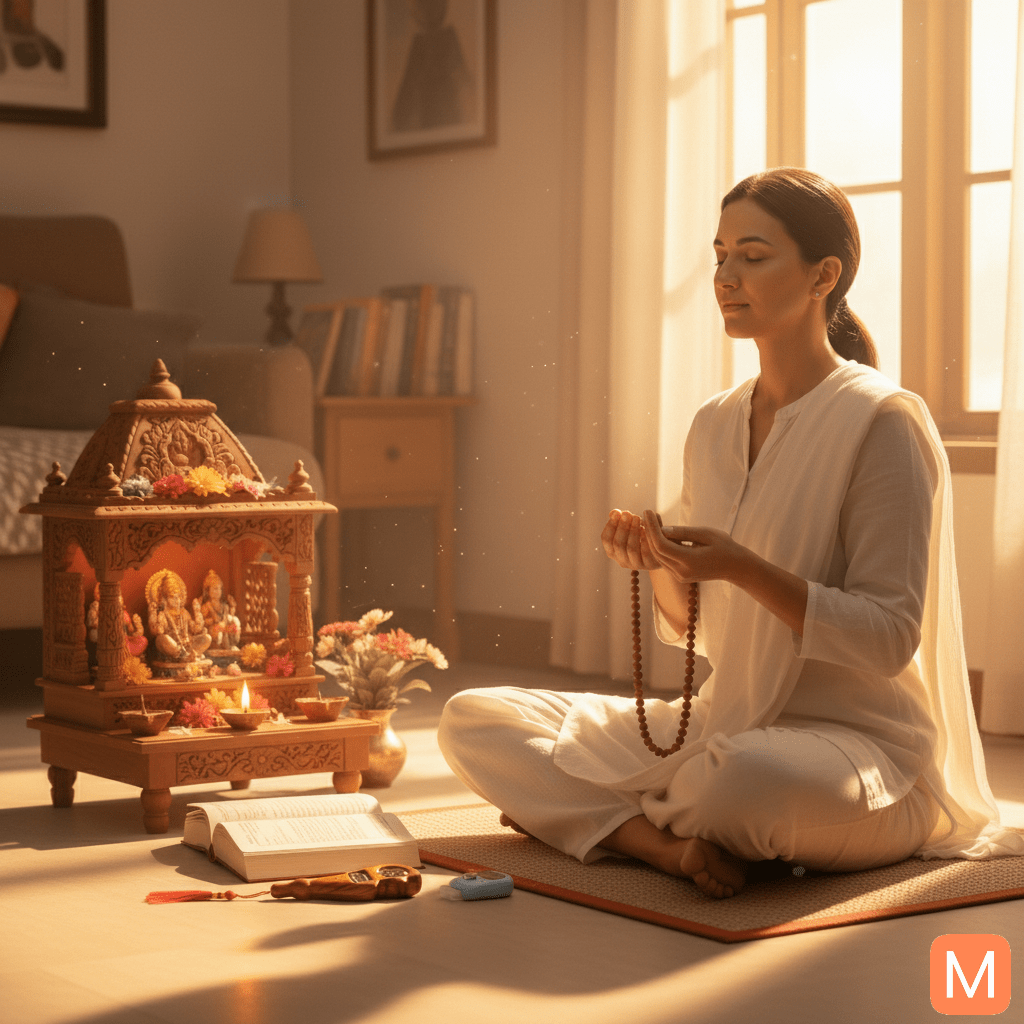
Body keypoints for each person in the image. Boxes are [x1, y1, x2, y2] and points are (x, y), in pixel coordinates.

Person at [438, 167, 1023, 898]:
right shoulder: (715, 423)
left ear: (824, 275)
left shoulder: (883, 422)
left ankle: (603, 814)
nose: (725, 276)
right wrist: (656, 564)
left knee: (744, 782)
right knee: (474, 717)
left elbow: (887, 637)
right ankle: (659, 846)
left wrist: (744, 567)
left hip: (859, 753)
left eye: (752, 255)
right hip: (722, 723)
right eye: (719, 255)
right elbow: (699, 636)